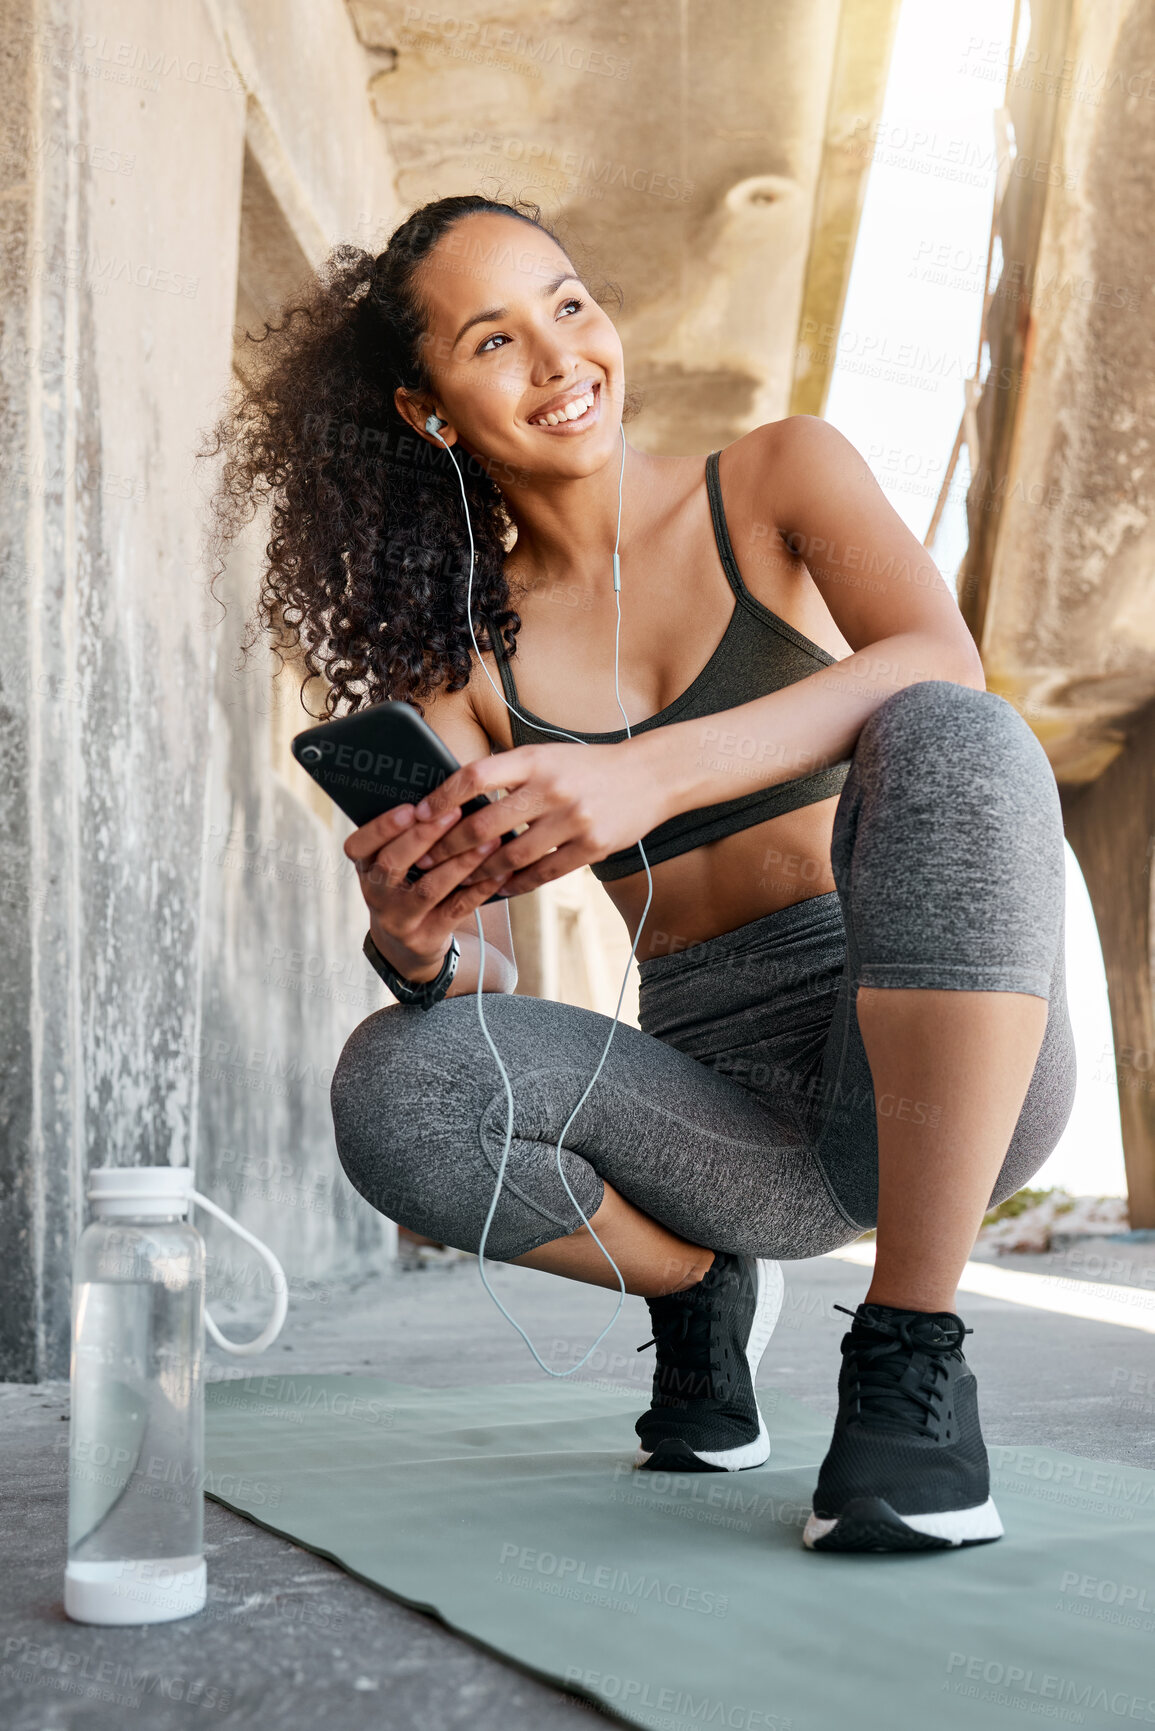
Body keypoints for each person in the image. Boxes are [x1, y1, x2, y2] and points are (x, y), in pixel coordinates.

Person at [203, 194, 1076, 1554]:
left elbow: (939, 660)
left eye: (568, 302)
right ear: (429, 410)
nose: (560, 358)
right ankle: (695, 1294)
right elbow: (481, 971)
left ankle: (911, 1357)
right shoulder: (463, 663)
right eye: (494, 339)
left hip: (941, 1061)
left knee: (954, 734)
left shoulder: (781, 480)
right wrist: (418, 942)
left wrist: (647, 775)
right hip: (725, 1132)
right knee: (396, 1079)